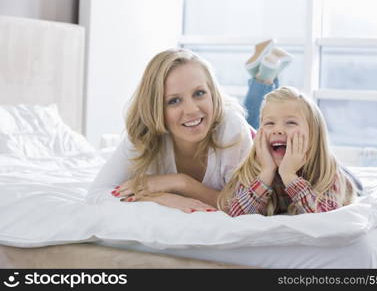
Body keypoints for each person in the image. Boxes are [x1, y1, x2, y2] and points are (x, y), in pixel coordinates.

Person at [87, 48, 253, 213]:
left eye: (199, 93)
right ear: (155, 108)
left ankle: (261, 77)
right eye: (174, 101)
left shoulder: (231, 129)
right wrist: (157, 198)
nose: (191, 110)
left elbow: (245, 206)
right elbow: (97, 194)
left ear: (212, 94)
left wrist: (181, 183)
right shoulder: (143, 134)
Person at [217, 86, 358, 217]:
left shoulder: (326, 170)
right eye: (269, 123)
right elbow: (235, 215)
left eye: (290, 123)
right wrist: (266, 173)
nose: (277, 129)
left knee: (355, 183)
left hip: (341, 176)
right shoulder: (252, 169)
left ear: (314, 133)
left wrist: (289, 175)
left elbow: (325, 217)